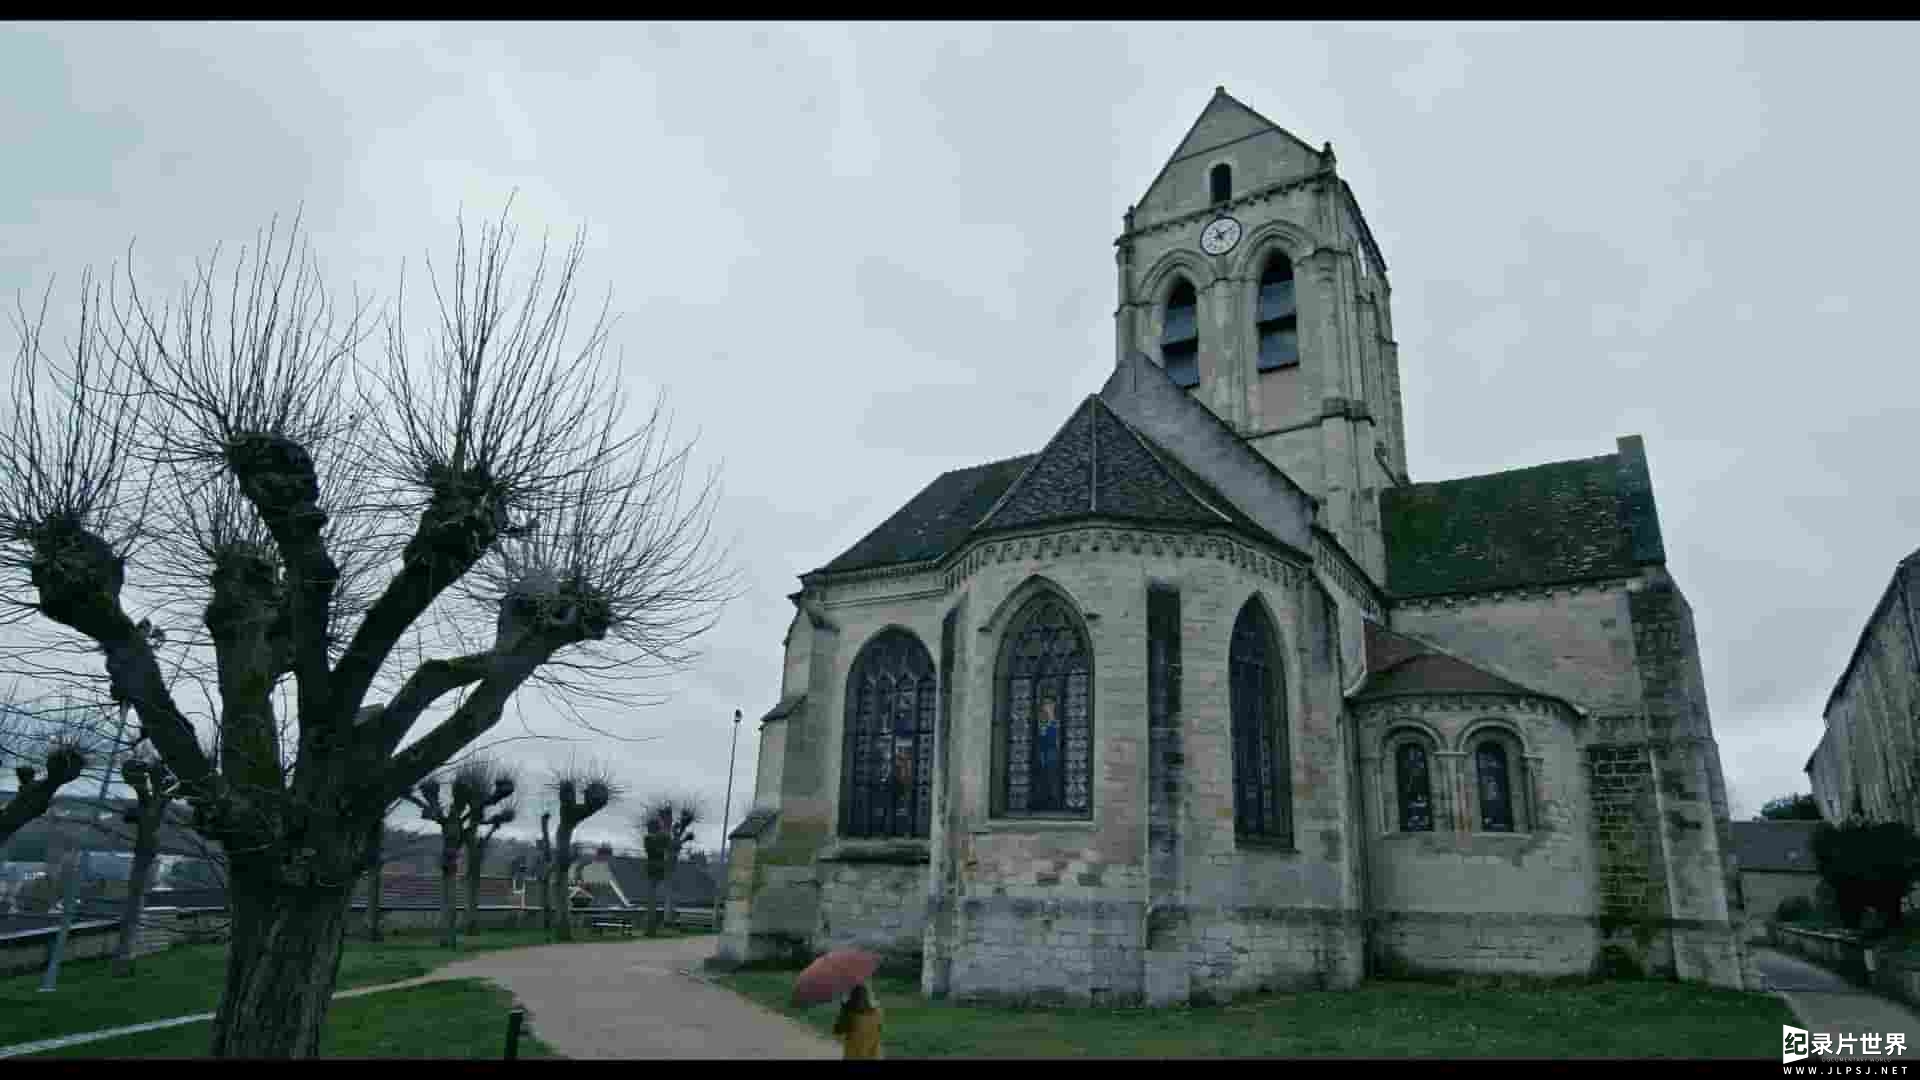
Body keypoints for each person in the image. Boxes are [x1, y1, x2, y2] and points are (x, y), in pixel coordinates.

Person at [832, 982, 883, 1059]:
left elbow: (838, 1036)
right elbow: (879, 1033)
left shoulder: (849, 1014)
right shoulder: (877, 1013)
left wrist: (843, 1011)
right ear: (867, 996)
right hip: (873, 1056)